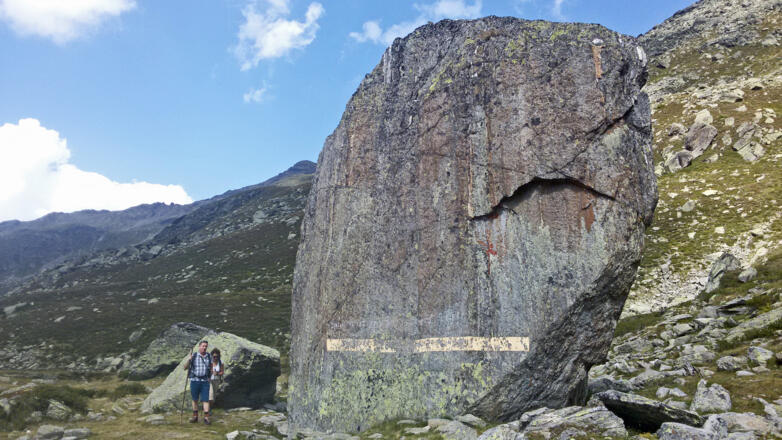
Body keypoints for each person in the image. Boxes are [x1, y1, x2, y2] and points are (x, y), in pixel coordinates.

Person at [183, 340, 212, 424]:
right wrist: (189, 360)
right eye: (203, 346)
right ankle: (195, 417)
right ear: (199, 346)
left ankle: (206, 418)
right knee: (195, 399)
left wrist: (210, 377)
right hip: (194, 380)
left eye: (206, 346)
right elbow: (185, 368)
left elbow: (211, 367)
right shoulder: (194, 356)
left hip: (205, 381)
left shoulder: (209, 356)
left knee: (205, 399)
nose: (204, 347)